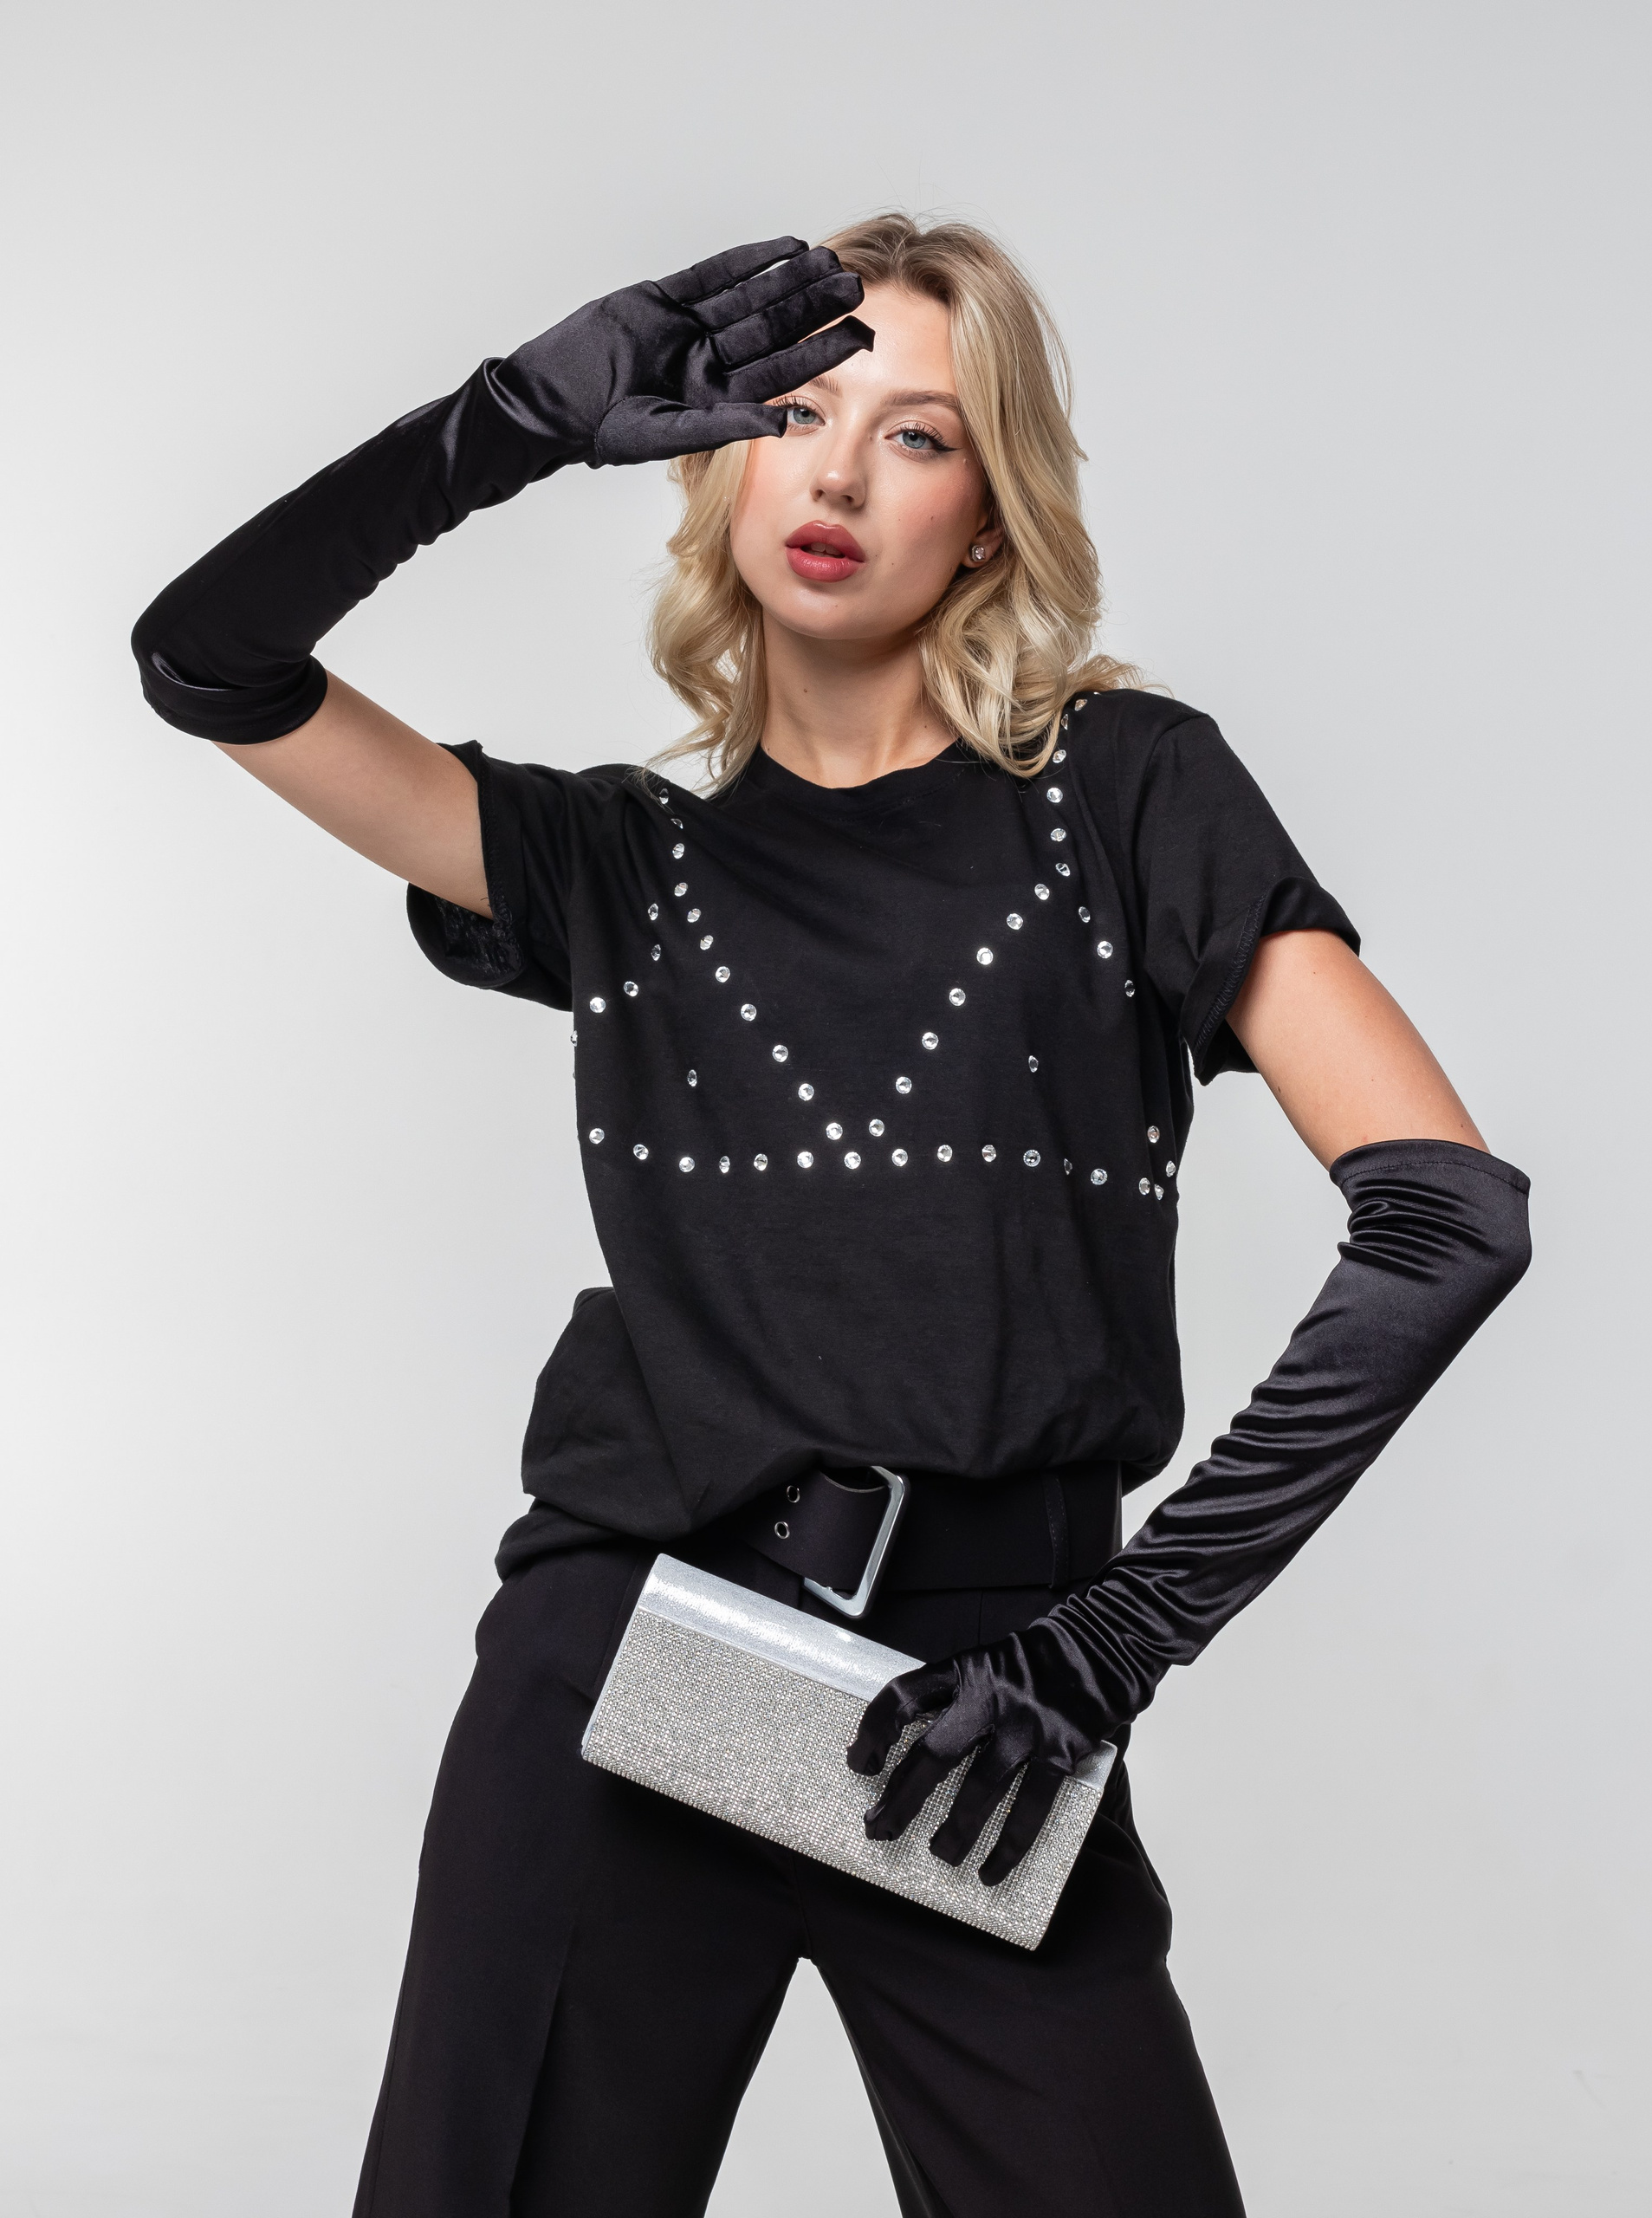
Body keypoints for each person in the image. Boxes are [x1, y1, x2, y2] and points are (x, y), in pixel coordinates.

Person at [131, 214, 1531, 2218]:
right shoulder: (612, 861)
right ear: (717, 460)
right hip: (629, 1658)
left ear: (991, 513)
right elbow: (206, 659)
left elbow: (1446, 1217)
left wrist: (1105, 1650)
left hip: (984, 1700)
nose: (845, 472)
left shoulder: (1129, 789)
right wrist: (508, 423)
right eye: (797, 412)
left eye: (920, 433)